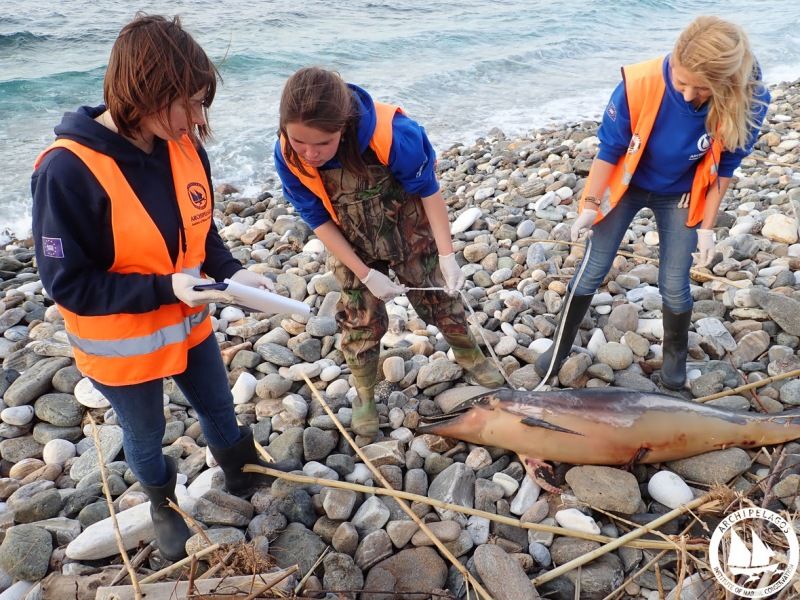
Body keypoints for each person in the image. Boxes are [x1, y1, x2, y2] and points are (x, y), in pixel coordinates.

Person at [31, 14, 298, 562]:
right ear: (145, 92)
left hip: (190, 322)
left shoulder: (182, 145)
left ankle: (241, 471)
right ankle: (162, 505)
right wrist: (164, 289)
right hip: (122, 348)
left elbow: (202, 231)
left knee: (219, 407)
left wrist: (232, 270)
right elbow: (67, 284)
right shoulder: (66, 172)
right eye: (190, 103)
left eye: (204, 103)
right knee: (145, 437)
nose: (198, 120)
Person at [535, 16, 770, 390]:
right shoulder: (639, 84)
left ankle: (674, 362)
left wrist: (708, 227)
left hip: (681, 193)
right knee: (594, 267)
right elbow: (609, 152)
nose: (690, 95)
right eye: (681, 83)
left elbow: (724, 169)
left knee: (674, 283)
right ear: (673, 61)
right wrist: (590, 205)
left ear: (727, 84)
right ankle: (559, 349)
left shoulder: (750, 100)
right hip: (626, 185)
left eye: (703, 89)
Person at [274, 67, 504, 440]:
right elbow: (316, 219)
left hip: (408, 228)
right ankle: (365, 394)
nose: (310, 154)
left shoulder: (396, 136)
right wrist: (364, 273)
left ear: (344, 126)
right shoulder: (288, 153)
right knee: (358, 317)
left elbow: (429, 193)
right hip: (351, 240)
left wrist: (447, 256)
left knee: (441, 299)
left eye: (323, 143)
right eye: (299, 141)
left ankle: (468, 353)